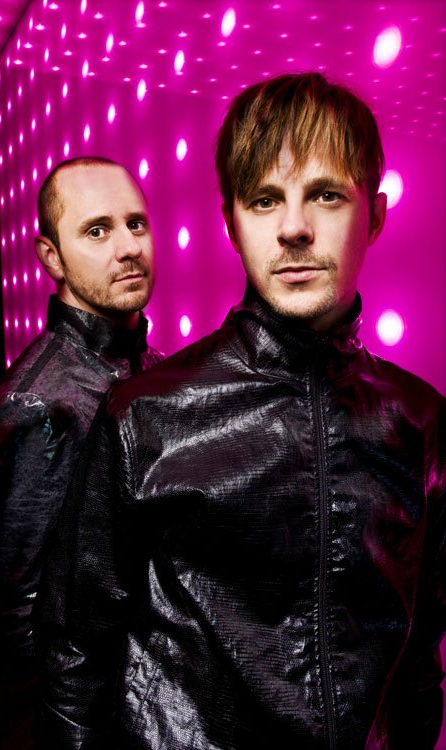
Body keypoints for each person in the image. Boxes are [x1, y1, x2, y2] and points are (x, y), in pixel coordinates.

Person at [36, 74, 445, 749]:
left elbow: (421, 658)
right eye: (264, 199)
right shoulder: (144, 417)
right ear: (231, 223)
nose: (294, 228)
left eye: (325, 194)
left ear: (374, 215)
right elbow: (75, 653)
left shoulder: (422, 423)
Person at [0, 156, 161, 658]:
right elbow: (17, 619)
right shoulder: (40, 406)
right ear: (52, 258)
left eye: (136, 224)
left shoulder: (158, 367)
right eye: (97, 231)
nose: (129, 247)